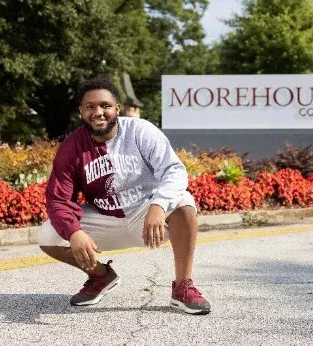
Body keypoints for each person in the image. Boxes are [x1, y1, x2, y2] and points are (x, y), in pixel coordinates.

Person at [37, 76, 210, 315]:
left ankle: (183, 287)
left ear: (116, 108)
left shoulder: (141, 131)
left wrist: (158, 205)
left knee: (183, 203)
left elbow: (174, 170)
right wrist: (74, 232)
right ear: (81, 112)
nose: (98, 112)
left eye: (105, 106)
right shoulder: (71, 147)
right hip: (105, 220)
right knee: (48, 235)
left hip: (146, 216)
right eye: (90, 106)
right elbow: (58, 199)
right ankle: (100, 276)